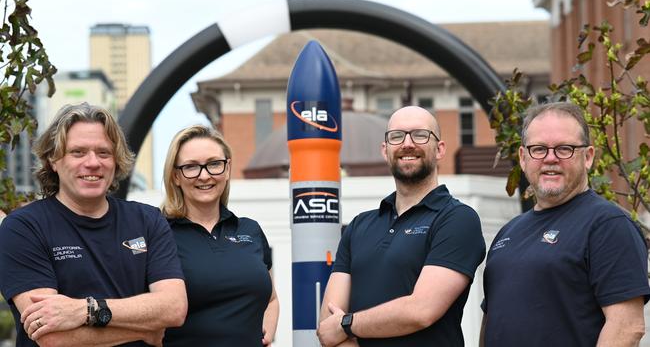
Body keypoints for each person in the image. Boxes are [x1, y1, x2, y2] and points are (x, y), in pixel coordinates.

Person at [0, 103, 187, 346]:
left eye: (103, 153)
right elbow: (52, 336)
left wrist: (84, 310)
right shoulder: (23, 228)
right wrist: (145, 331)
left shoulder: (148, 220)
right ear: (53, 160)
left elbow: (173, 308)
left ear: (116, 161)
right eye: (78, 152)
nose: (92, 163)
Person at [481, 102, 650, 346]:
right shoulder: (508, 233)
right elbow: (492, 321)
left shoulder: (608, 226)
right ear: (523, 157)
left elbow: (627, 327)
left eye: (564, 149)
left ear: (588, 157)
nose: (551, 159)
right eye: (539, 149)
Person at [317, 106, 486, 347]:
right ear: (385, 151)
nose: (407, 143)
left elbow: (421, 311)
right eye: (397, 136)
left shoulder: (457, 219)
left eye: (419, 135)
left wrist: (347, 324)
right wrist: (340, 326)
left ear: (439, 149)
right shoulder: (359, 226)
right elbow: (327, 325)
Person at [161, 125, 279, 346]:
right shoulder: (160, 233)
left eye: (214, 164)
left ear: (227, 169)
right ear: (176, 176)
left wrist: (267, 333)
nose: (204, 175)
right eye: (191, 167)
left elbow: (271, 298)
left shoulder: (249, 230)